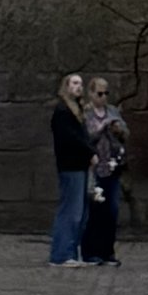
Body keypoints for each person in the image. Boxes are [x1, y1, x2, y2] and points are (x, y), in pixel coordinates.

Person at [82, 77, 128, 266]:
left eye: (106, 93)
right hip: (94, 169)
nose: (103, 97)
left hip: (112, 167)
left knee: (112, 211)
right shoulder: (86, 113)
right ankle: (91, 252)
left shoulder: (113, 111)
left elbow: (126, 134)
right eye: (100, 93)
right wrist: (101, 129)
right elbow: (85, 138)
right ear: (91, 94)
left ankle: (108, 251)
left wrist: (119, 130)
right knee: (94, 212)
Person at [49, 71, 92, 266]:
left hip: (79, 164)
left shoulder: (76, 110)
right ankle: (61, 254)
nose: (78, 86)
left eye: (80, 83)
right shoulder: (63, 112)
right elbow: (72, 139)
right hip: (71, 165)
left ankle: (71, 252)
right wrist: (90, 152)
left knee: (79, 212)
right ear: (66, 86)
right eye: (74, 83)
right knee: (70, 211)